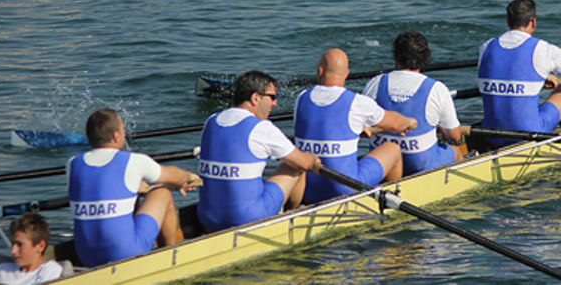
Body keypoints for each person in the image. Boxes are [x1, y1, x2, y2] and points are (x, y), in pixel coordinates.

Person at [67, 108, 201, 267]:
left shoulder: (73, 164)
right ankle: (169, 257)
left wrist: (139, 187)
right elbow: (173, 176)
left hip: (85, 255)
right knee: (163, 193)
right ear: (116, 135)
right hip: (125, 253)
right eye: (123, 129)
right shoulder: (133, 161)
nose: (125, 134)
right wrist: (191, 178)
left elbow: (103, 184)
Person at [197, 70, 322, 232]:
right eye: (272, 97)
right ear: (255, 98)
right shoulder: (261, 128)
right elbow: (304, 163)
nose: (275, 103)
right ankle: (292, 217)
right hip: (248, 219)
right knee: (296, 165)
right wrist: (312, 159)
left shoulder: (211, 121)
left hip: (208, 218)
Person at [294, 48, 418, 204]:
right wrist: (410, 122)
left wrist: (358, 128)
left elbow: (324, 128)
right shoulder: (357, 102)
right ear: (347, 73)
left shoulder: (301, 98)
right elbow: (396, 124)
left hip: (307, 189)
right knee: (392, 148)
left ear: (320, 71)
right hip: (344, 188)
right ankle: (391, 198)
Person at [478, 0, 561, 147]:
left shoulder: (486, 47)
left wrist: (542, 76)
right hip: (528, 135)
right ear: (533, 22)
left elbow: (507, 72)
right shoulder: (543, 49)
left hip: (490, 133)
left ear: (508, 22)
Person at [362, 31, 464, 176]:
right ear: (424, 58)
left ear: (396, 57)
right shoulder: (437, 89)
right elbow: (455, 136)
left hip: (384, 162)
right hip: (418, 164)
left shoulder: (375, 83)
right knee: (456, 151)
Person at [0, 213, 62, 284]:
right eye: (13, 244)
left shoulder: (50, 270)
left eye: (19, 244)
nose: (13, 251)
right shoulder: (1, 270)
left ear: (40, 246)